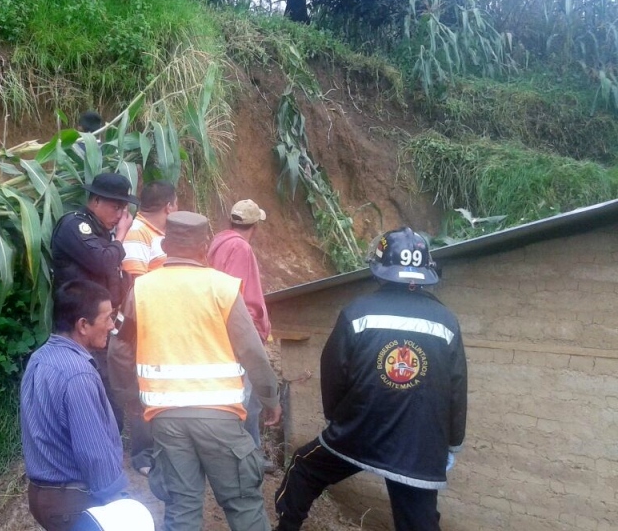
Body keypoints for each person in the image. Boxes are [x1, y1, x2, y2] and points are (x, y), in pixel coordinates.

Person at [273, 227, 468, 531]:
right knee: (419, 521)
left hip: (361, 432)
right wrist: (451, 443)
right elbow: (456, 387)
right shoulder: (447, 321)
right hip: (419, 445)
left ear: (379, 270)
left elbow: (333, 372)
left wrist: (338, 420)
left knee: (304, 468)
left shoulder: (357, 313)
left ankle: (287, 527)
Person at [113, 211, 283, 531]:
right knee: (243, 504)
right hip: (219, 417)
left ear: (165, 244)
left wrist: (131, 400)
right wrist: (270, 398)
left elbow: (119, 351)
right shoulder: (223, 288)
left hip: (165, 418)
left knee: (182, 507)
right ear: (205, 246)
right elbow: (252, 353)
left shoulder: (142, 289)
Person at [21, 280, 128, 531]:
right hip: (73, 503)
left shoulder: (40, 358)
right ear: (82, 325)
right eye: (107, 318)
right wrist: (117, 501)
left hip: (41, 495)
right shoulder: (78, 374)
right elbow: (93, 451)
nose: (112, 326)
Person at [51, 172, 138, 430]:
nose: (121, 214)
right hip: (79, 324)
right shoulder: (76, 225)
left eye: (124, 208)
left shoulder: (101, 233)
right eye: (116, 206)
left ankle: (109, 440)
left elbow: (113, 276)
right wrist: (121, 235)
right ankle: (97, 442)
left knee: (106, 385)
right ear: (96, 201)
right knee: (89, 384)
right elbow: (102, 260)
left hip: (101, 323)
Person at [119, 180, 178, 476]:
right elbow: (137, 286)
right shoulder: (138, 233)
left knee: (161, 389)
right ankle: (142, 455)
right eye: (175, 204)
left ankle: (159, 448)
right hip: (144, 326)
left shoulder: (161, 233)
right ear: (169, 206)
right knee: (142, 390)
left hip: (164, 324)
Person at [207, 198, 272, 450]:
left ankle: (246, 450)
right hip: (238, 334)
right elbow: (237, 296)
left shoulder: (218, 242)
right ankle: (246, 454)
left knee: (244, 398)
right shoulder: (240, 249)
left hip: (219, 330)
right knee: (246, 401)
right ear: (254, 226)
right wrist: (251, 330)